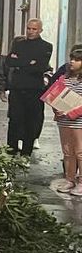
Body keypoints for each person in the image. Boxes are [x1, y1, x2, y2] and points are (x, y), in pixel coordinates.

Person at [0, 19, 53, 157]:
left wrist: (21, 63)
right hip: (17, 88)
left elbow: (40, 66)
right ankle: (11, 150)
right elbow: (10, 61)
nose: (30, 31)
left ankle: (26, 153)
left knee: (31, 121)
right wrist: (29, 62)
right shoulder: (19, 44)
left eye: (34, 29)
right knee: (14, 119)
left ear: (40, 30)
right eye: (28, 28)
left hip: (34, 89)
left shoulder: (46, 46)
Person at [49, 47, 82, 196]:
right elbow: (55, 95)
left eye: (76, 60)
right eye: (71, 59)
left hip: (78, 122)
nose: (72, 62)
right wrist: (56, 109)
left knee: (80, 152)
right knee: (67, 152)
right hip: (64, 121)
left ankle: (81, 182)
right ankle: (70, 179)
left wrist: (71, 113)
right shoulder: (64, 78)